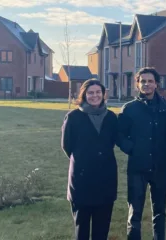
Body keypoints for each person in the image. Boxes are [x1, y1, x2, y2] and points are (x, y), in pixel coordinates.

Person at [117, 67, 166, 240]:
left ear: (156, 84)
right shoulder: (129, 109)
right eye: (143, 81)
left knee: (160, 211)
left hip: (160, 167)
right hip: (137, 167)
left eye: (150, 81)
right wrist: (132, 148)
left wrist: (165, 148)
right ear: (138, 84)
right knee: (135, 212)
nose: (146, 84)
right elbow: (119, 134)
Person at [61, 80, 118, 240]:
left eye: (98, 92)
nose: (95, 96)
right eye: (90, 93)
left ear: (103, 94)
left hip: (106, 179)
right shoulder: (73, 117)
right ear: (84, 95)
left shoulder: (111, 117)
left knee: (102, 229)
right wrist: (83, 160)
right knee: (82, 227)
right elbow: (67, 146)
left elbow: (111, 141)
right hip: (81, 179)